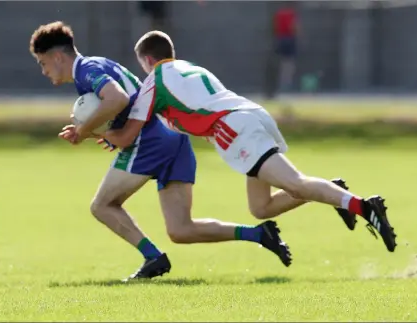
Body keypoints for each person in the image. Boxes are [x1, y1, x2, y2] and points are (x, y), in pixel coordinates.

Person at [29, 22, 293, 281]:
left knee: (102, 205)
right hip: (173, 136)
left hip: (150, 139)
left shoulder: (86, 70)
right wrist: (108, 132)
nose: (43, 71)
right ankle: (260, 234)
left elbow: (117, 97)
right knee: (181, 229)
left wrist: (84, 130)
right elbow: (127, 100)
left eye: (42, 63)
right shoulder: (97, 65)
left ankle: (153, 258)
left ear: (57, 56)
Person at [97, 30, 397, 255]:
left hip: (235, 130)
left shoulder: (154, 81)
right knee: (261, 207)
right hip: (252, 116)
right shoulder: (191, 68)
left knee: (295, 183)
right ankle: (334, 192)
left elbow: (127, 136)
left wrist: (91, 132)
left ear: (148, 60)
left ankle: (363, 206)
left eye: (142, 66)